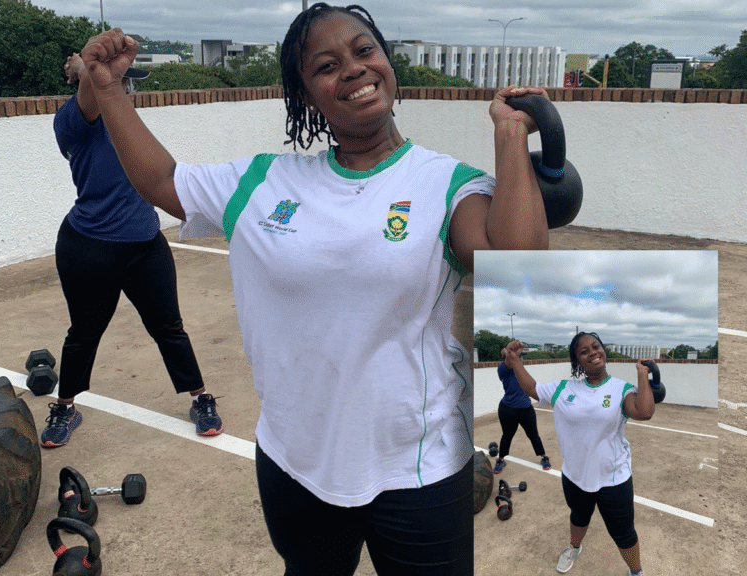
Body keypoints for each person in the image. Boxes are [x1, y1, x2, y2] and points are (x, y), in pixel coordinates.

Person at [78, 3, 549, 574]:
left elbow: (515, 259)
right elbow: (159, 179)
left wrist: (510, 134)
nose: (353, 69)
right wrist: (108, 90)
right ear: (304, 97)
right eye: (326, 65)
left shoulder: (444, 184)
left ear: (387, 64)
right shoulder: (261, 183)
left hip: (417, 467)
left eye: (364, 51)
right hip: (295, 462)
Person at [40, 53, 224, 448]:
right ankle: (65, 407)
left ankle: (199, 398)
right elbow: (92, 97)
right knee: (84, 333)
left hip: (145, 245)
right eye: (114, 82)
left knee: (169, 328)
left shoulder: (130, 128)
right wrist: (84, 68)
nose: (124, 89)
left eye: (126, 82)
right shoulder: (73, 124)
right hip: (88, 247)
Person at [505, 333, 655, 576]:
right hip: (575, 476)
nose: (593, 352)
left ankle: (636, 572)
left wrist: (642, 375)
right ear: (577, 361)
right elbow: (532, 388)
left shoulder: (621, 389)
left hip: (613, 478)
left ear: (603, 351)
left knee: (624, 533)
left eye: (596, 347)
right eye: (584, 351)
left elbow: (644, 411)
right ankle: (574, 547)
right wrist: (516, 360)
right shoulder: (564, 389)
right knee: (578, 517)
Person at [491, 344, 551, 474]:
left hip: (526, 409)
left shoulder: (521, 370)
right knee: (507, 436)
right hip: (508, 410)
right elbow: (508, 362)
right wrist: (509, 353)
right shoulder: (503, 369)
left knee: (534, 435)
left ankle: (543, 457)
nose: (518, 359)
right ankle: (501, 460)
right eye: (514, 357)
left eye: (519, 358)